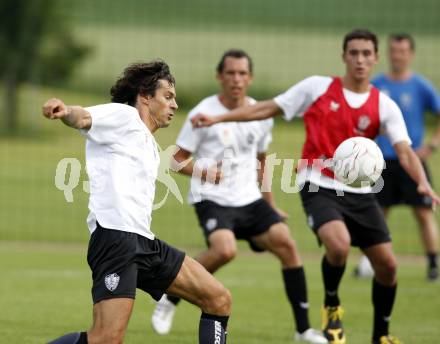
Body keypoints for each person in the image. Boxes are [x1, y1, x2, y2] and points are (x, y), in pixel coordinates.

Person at [191, 30, 440, 344]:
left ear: (375, 58)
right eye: (354, 53)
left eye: (366, 53)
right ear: (343, 56)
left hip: (361, 193)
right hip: (319, 185)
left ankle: (381, 335)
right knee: (338, 244)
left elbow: (405, 151)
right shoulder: (317, 88)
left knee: (388, 265)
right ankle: (332, 307)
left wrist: (422, 183)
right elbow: (266, 107)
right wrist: (218, 118)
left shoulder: (384, 105)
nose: (360, 59)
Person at [43, 60, 231, 344]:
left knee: (218, 298)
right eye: (168, 97)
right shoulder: (124, 117)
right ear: (145, 96)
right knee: (105, 339)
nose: (175, 105)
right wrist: (66, 111)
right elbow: (83, 118)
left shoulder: (149, 143)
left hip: (144, 242)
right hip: (116, 239)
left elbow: (175, 164)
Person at [150, 50, 327, 344]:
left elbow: (261, 160)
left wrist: (271, 205)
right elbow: (175, 160)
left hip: (249, 199)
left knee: (287, 244)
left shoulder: (260, 114)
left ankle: (303, 330)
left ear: (250, 78)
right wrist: (203, 173)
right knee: (225, 250)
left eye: (242, 73)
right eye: (230, 73)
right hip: (212, 198)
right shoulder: (202, 113)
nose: (236, 79)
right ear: (220, 76)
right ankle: (170, 297)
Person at [354, 33, 440, 281]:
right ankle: (366, 263)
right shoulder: (376, 85)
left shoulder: (420, 86)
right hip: (381, 162)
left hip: (411, 159)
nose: (397, 55)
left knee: (423, 213)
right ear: (386, 54)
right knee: (376, 214)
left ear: (410, 54)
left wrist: (432, 145)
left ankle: (433, 264)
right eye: (393, 50)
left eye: (402, 51)